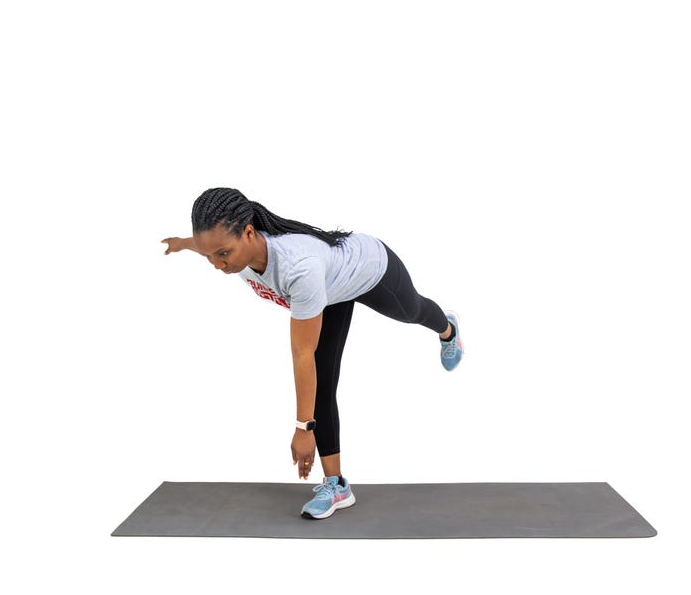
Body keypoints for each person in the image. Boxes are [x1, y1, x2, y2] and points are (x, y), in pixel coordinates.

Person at [161, 187, 464, 520]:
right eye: (209, 257)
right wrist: (181, 243)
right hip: (330, 289)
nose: (218, 265)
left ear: (249, 232)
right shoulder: (233, 251)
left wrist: (303, 429)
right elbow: (206, 244)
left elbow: (301, 352)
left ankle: (448, 329)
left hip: (369, 269)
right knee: (321, 382)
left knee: (414, 311)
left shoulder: (298, 268)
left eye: (223, 254)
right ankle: (336, 485)